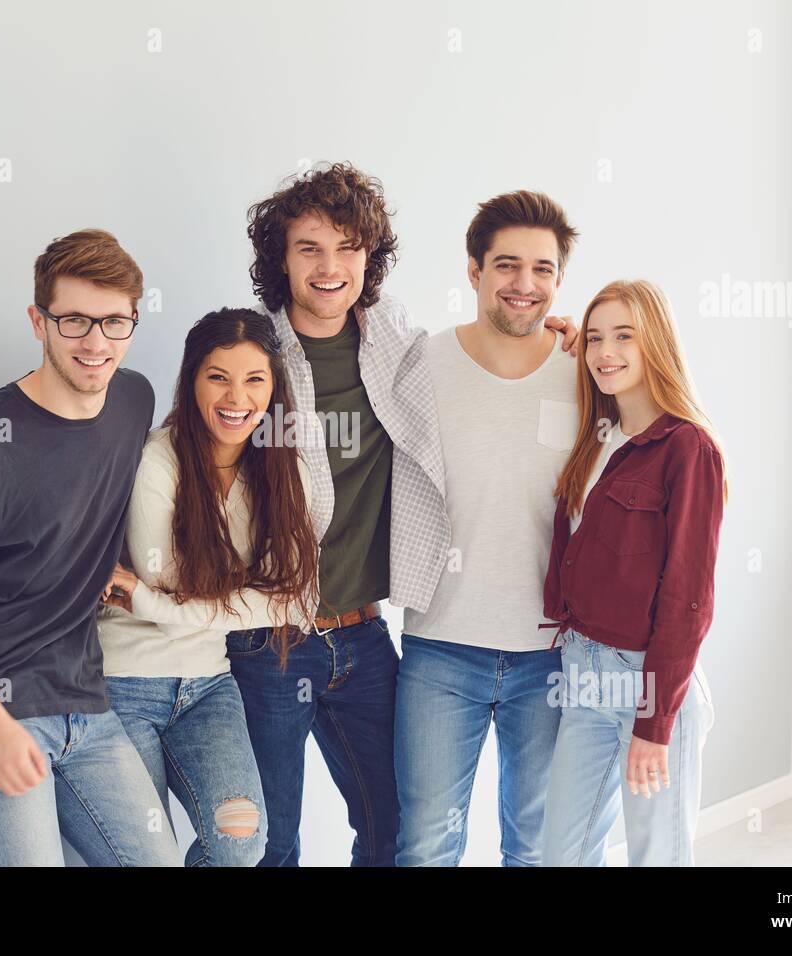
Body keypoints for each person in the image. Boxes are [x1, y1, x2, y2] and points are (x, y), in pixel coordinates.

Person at [233, 162, 578, 865]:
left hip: (364, 640)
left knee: (396, 835)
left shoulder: (392, 345)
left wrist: (577, 338)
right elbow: (189, 456)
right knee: (266, 843)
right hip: (271, 639)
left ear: (370, 258)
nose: (331, 267)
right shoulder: (253, 353)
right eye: (310, 249)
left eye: (348, 248)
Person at [0, 229, 180, 866]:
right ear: (38, 321)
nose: (95, 343)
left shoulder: (134, 399)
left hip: (86, 703)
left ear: (134, 320)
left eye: (114, 322)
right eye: (74, 320)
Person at [396, 190, 580, 866]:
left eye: (542, 269)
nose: (524, 285)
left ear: (559, 280)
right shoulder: (421, 368)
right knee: (425, 846)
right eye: (507, 265)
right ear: (474, 271)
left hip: (552, 653)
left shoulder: (586, 370)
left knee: (534, 847)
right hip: (441, 648)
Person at [97, 307, 319, 866]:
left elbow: (296, 598)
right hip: (125, 683)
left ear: (275, 388)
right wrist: (248, 594)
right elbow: (166, 577)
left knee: (240, 844)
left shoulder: (283, 470)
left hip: (208, 684)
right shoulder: (158, 459)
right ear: (192, 379)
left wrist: (154, 603)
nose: (236, 397)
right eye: (218, 376)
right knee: (147, 856)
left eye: (255, 379)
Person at [540, 278, 725, 867]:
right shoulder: (593, 439)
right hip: (582, 674)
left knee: (657, 856)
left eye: (624, 336)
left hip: (647, 680)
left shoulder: (688, 447)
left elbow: (689, 597)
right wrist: (566, 337)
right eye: (595, 338)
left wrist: (656, 722)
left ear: (657, 345)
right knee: (561, 853)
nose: (604, 352)